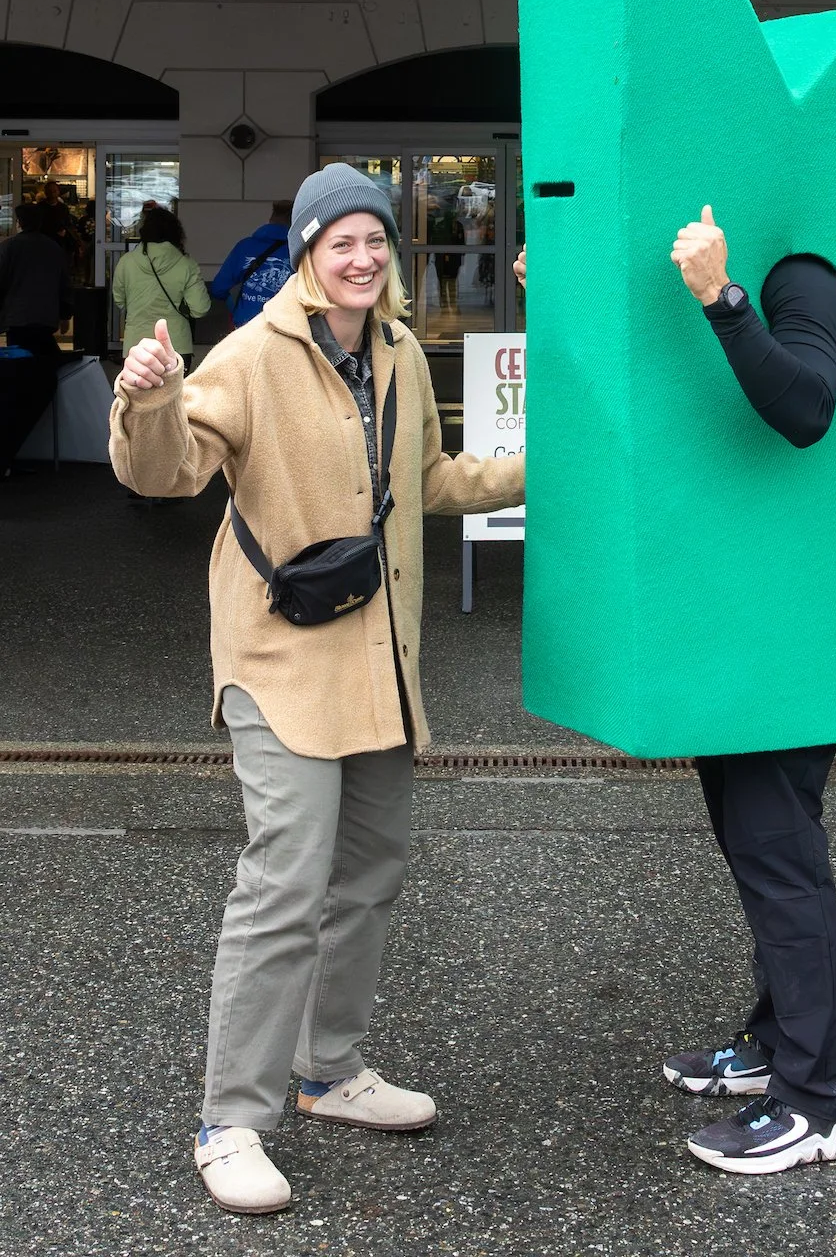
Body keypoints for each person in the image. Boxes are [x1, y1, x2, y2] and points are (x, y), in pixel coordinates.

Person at [108, 162, 526, 1218]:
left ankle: (329, 1071)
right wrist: (144, 401)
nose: (361, 256)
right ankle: (230, 1121)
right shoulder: (252, 354)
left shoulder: (390, 348)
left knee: (371, 872)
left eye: (374, 240)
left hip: (376, 661)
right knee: (282, 885)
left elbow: (429, 482)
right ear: (305, 252)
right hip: (278, 659)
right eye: (339, 240)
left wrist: (539, 467)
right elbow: (166, 473)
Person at [660, 202, 836, 1177]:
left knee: (780, 851)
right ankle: (777, 1041)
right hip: (729, 610)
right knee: (753, 841)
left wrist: (722, 297)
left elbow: (806, 407)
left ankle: (820, 1099)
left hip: (792, 628)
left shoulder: (805, 270)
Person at [111, 206, 211, 363]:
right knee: (175, 388)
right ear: (175, 233)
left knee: (139, 387)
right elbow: (200, 309)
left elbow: (119, 300)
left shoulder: (126, 262)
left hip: (136, 346)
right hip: (176, 347)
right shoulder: (186, 265)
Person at [0, 204, 74, 362]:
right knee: (45, 361)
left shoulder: (8, 247)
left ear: (19, 222)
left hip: (16, 317)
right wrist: (65, 314)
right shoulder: (53, 247)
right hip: (46, 316)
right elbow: (64, 284)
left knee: (19, 363)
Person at [210, 200, 295, 328]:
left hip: (246, 327)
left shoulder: (244, 246)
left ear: (271, 220)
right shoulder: (299, 251)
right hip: (285, 328)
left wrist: (239, 308)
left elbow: (218, 288)